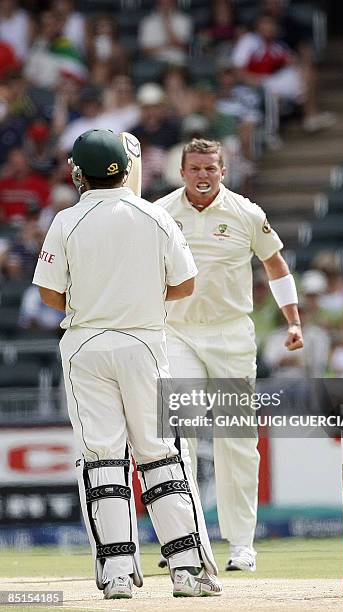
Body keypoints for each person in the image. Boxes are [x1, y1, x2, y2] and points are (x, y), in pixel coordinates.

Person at [32, 129, 222, 600]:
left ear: (79, 173)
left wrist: (96, 303)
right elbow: (184, 285)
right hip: (144, 343)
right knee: (160, 454)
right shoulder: (155, 217)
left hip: (86, 346)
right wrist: (138, 299)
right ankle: (187, 570)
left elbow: (49, 293)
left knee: (102, 457)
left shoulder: (66, 221)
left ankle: (117, 574)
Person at [156, 138, 303, 571]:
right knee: (176, 432)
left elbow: (276, 265)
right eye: (195, 168)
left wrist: (293, 320)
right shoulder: (161, 214)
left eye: (211, 169)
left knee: (237, 438)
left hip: (231, 335)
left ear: (224, 171)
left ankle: (241, 544)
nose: (203, 176)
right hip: (177, 332)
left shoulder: (246, 212)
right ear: (182, 172)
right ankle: (184, 538)